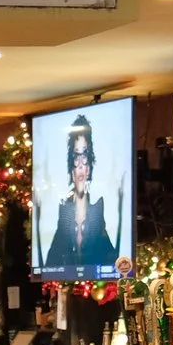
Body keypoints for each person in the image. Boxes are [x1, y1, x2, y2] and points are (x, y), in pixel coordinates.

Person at [44, 115, 119, 273]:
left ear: (89, 166)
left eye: (84, 157)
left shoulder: (98, 208)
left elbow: (109, 257)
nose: (80, 165)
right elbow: (53, 260)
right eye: (76, 157)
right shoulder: (63, 210)